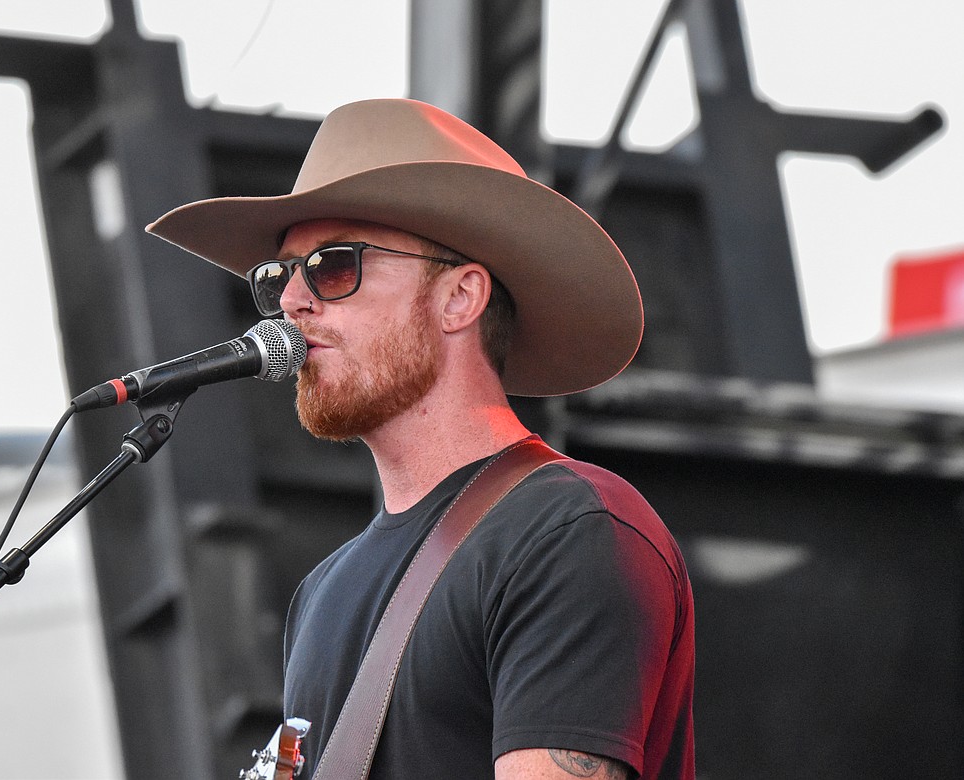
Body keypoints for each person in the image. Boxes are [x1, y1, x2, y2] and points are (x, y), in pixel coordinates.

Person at [147, 98, 694, 779]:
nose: (292, 300)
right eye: (279, 274)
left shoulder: (569, 531)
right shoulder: (321, 592)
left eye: (333, 266)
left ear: (460, 299)